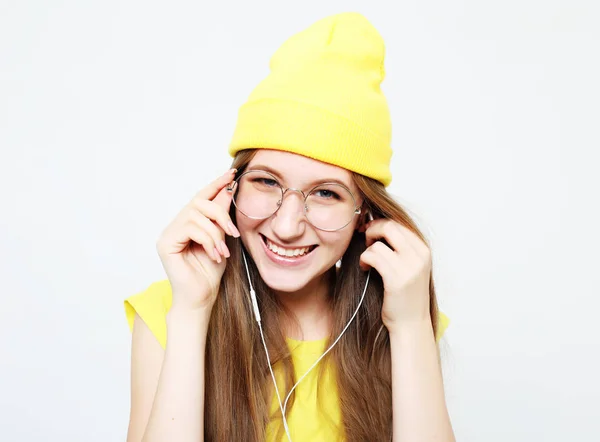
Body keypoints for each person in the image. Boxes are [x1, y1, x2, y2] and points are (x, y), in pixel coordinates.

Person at [124, 12, 455, 442]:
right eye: (266, 181)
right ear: (230, 188)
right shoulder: (170, 310)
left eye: (326, 194)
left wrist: (410, 326)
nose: (286, 225)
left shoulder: (398, 319)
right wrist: (191, 312)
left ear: (364, 216)